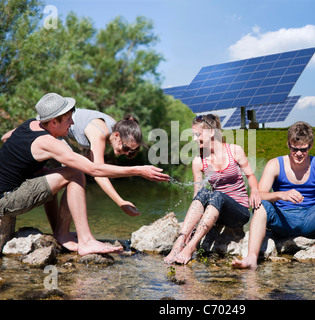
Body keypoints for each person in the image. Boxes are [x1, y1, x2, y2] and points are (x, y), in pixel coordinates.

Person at [0, 93, 170, 255]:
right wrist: (138, 170)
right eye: (67, 119)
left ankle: (61, 234)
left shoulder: (31, 124)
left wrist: (29, 165)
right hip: (6, 200)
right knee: (76, 173)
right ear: (53, 122)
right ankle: (86, 241)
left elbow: (5, 138)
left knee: (50, 172)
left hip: (7, 192)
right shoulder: (49, 142)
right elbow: (94, 170)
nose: (73, 122)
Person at [232, 121, 315, 269]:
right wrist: (281, 195)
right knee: (260, 205)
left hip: (311, 220)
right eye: (294, 149)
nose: (298, 154)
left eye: (303, 150)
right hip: (282, 221)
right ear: (288, 145)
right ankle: (251, 258)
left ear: (310, 146)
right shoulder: (275, 164)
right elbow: (259, 195)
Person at [2, 108, 146, 217]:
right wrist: (120, 202)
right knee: (75, 174)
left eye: (131, 152)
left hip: (51, 125)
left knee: (10, 138)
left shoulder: (118, 127)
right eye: (126, 147)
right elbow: (97, 172)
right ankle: (63, 232)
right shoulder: (100, 134)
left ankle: (59, 231)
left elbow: (6, 139)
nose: (126, 152)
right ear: (116, 136)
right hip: (55, 129)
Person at [164, 114, 261, 265]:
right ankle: (181, 241)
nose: (195, 140)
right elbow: (198, 196)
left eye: (198, 135)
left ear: (211, 132)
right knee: (205, 193)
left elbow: (251, 176)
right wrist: (191, 226)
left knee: (218, 195)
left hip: (238, 212)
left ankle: (191, 247)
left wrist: (254, 190)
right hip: (216, 213)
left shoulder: (234, 151)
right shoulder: (198, 161)